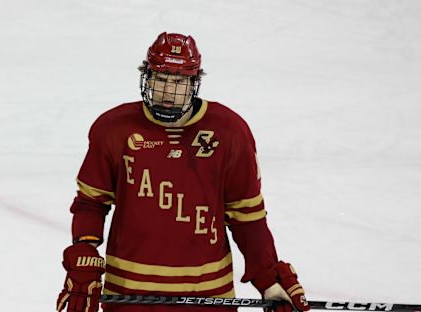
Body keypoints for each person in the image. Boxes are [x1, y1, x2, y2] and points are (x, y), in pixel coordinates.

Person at [56, 32, 310, 312]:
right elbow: (91, 203)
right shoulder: (113, 129)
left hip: (208, 295)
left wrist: (268, 278)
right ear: (146, 77)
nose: (168, 91)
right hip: (129, 294)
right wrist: (85, 251)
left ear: (194, 82)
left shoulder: (229, 132)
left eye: (178, 81)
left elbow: (246, 217)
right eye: (160, 79)